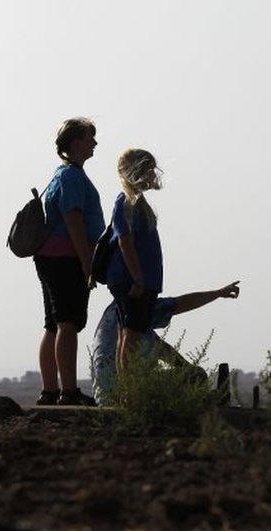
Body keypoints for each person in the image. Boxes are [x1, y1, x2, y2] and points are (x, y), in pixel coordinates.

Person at [34, 118, 105, 406]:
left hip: (51, 257)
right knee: (67, 323)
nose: (95, 143)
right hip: (66, 257)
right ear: (77, 143)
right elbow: (74, 220)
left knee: (53, 324)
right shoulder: (72, 177)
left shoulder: (61, 175)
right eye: (90, 138)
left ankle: (50, 390)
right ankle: (68, 392)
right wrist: (87, 262)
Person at [90, 282, 241, 405]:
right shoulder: (136, 307)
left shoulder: (120, 315)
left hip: (104, 397)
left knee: (192, 375)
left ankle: (206, 398)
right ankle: (208, 401)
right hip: (124, 396)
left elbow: (162, 349)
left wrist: (186, 369)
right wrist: (218, 293)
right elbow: (180, 304)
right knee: (196, 376)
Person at [105, 148, 166, 373]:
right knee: (130, 335)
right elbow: (125, 241)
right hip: (132, 281)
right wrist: (138, 279)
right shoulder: (126, 202)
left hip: (141, 280)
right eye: (148, 169)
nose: (152, 174)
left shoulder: (138, 203)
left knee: (130, 333)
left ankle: (129, 391)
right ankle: (128, 394)